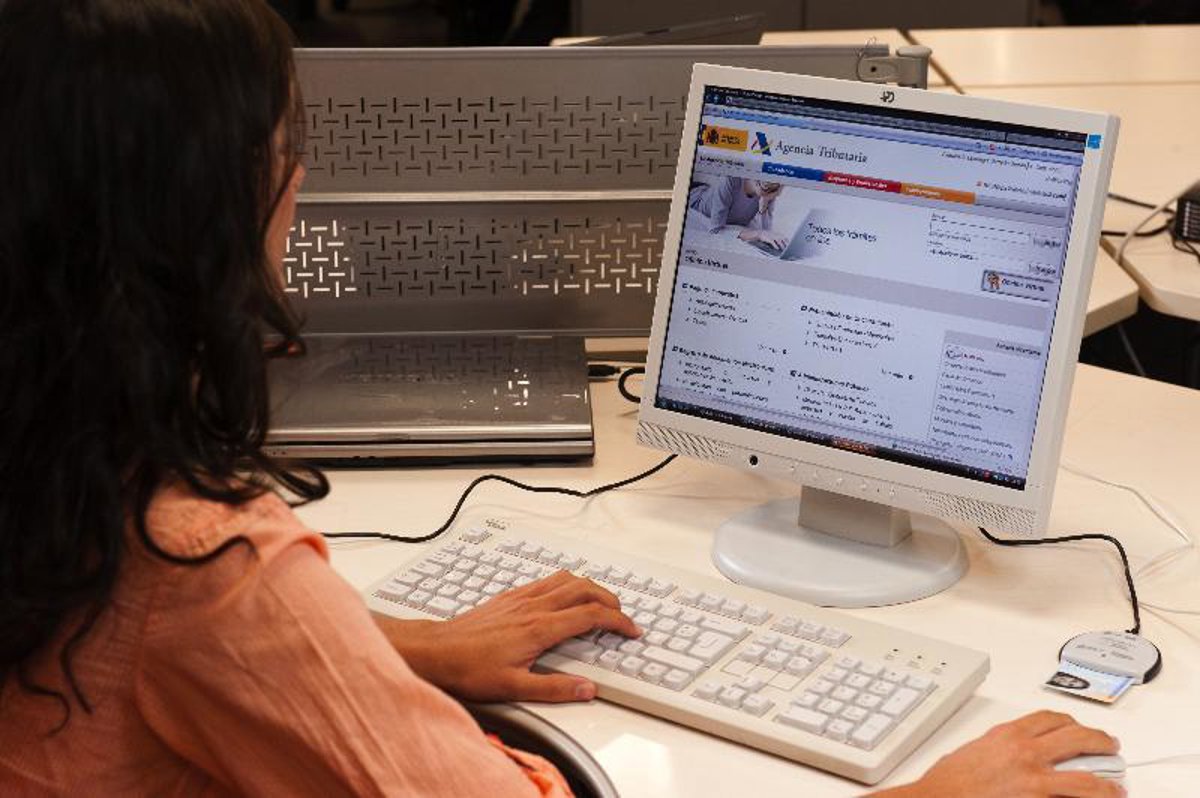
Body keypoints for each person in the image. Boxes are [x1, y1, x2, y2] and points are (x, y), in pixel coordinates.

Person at [0, 2, 1122, 796]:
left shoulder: (53, 462)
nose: (303, 182)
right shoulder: (203, 563)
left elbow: (169, 652)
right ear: (204, 220)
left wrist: (396, 649)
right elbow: (204, 625)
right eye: (288, 154)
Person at [689, 176, 789, 249]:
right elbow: (715, 230)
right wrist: (758, 234)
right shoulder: (730, 180)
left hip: (710, 190)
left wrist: (765, 203)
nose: (775, 196)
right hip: (693, 194)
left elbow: (767, 231)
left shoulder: (769, 192)